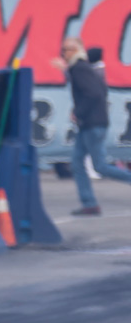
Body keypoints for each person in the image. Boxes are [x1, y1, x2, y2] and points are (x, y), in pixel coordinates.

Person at [54, 37, 131, 216]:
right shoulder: (81, 69)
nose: (63, 54)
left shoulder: (80, 69)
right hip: (90, 124)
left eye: (65, 50)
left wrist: (78, 112)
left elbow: (94, 94)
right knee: (77, 162)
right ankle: (89, 203)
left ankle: (90, 203)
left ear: (73, 51)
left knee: (100, 166)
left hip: (92, 124)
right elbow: (100, 91)